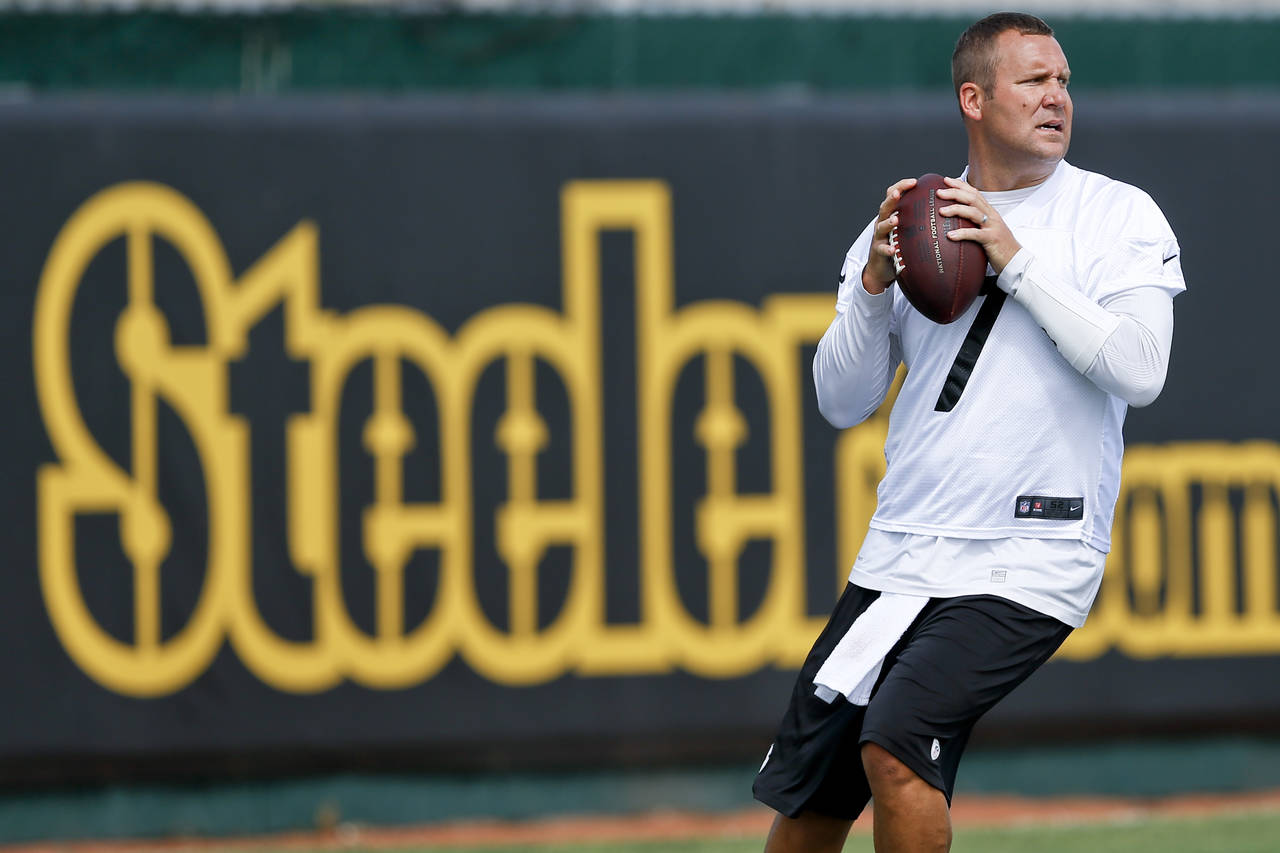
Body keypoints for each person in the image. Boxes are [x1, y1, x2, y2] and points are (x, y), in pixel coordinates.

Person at [752, 11, 1185, 853]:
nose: (1057, 97)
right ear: (974, 99)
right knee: (811, 799)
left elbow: (1140, 370)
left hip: (1032, 547)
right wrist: (872, 286)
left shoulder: (1116, 213)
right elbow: (840, 401)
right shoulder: (911, 218)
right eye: (1035, 80)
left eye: (1063, 81)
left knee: (897, 744)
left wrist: (1016, 261)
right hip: (904, 548)